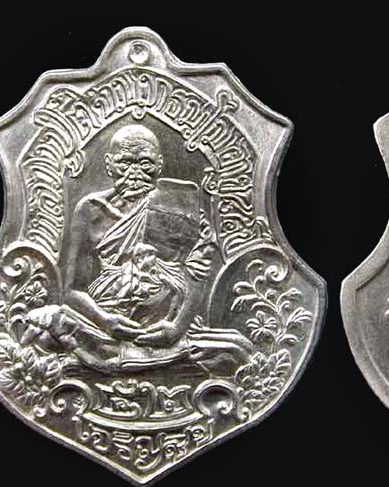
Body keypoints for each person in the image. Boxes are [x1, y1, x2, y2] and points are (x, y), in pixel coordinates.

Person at [22, 124, 252, 372]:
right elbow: (73, 291)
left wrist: (176, 328)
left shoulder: (180, 204)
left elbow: (199, 271)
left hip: (168, 321)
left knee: (237, 350)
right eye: (125, 163)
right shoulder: (91, 210)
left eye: (145, 164)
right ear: (109, 165)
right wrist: (106, 321)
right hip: (108, 319)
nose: (135, 173)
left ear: (159, 165)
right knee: (45, 337)